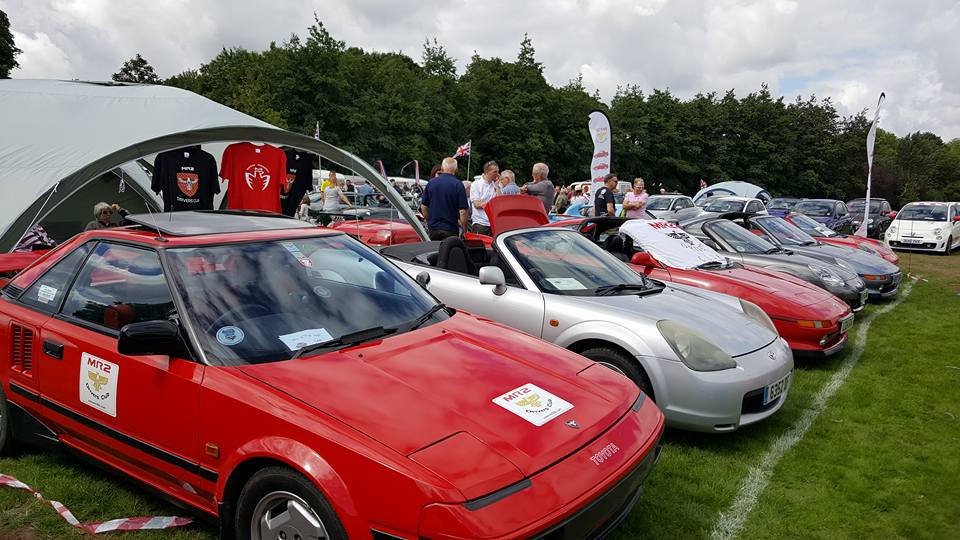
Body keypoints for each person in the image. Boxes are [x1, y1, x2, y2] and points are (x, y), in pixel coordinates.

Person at [421, 157, 469, 240]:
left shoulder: (431, 183)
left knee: (434, 252)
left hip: (433, 228)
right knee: (448, 252)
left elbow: (424, 206)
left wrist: (429, 220)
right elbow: (463, 212)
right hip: (450, 229)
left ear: (442, 168)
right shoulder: (458, 185)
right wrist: (464, 231)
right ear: (455, 169)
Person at [469, 161, 499, 235]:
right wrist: (491, 205)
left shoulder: (495, 185)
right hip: (480, 224)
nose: (498, 174)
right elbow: (476, 204)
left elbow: (500, 202)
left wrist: (497, 186)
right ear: (487, 172)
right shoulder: (476, 184)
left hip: (494, 224)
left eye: (498, 171)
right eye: (495, 172)